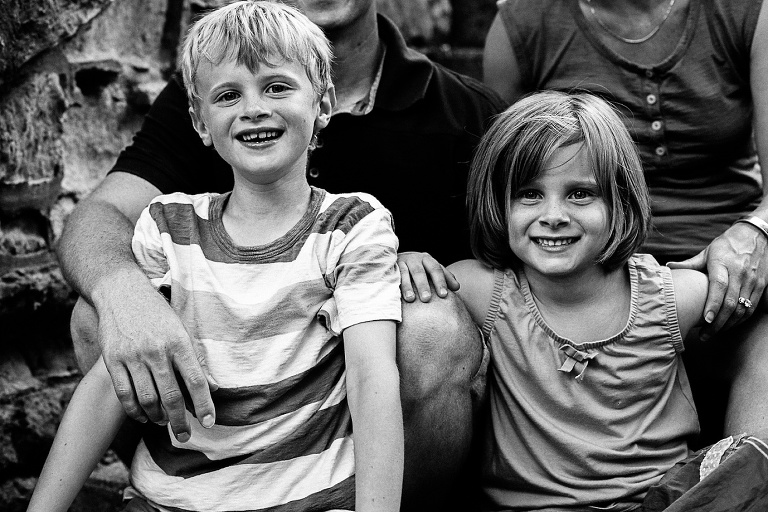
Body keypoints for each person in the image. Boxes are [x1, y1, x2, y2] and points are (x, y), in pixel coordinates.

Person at [56, 0, 502, 506]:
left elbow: (525, 273)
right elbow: (99, 217)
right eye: (229, 96)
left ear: (322, 103)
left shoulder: (463, 109)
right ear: (204, 118)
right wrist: (126, 296)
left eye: (278, 87)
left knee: (433, 327)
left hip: (376, 390)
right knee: (100, 314)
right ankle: (189, 488)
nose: (253, 108)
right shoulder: (214, 86)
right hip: (232, 379)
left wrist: (406, 268)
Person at [449, 90, 768, 511]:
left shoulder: (668, 295)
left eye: (580, 194)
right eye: (529, 194)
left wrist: (730, 268)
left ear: (620, 201)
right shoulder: (484, 291)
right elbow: (390, 290)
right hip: (535, 507)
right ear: (498, 203)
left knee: (743, 470)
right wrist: (410, 262)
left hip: (663, 502)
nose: (553, 214)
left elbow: (751, 304)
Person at [482, 0, 768, 445]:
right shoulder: (525, 24)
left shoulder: (745, 11)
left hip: (719, 266)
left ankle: (738, 489)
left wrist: (759, 230)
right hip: (585, 273)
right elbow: (508, 172)